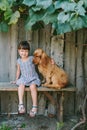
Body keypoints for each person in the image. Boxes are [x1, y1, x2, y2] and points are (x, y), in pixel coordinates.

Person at [13, 41, 41, 117]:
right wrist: (16, 79)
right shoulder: (18, 61)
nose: (24, 53)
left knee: (33, 87)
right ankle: (21, 104)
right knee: (20, 86)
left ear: (28, 51)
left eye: (26, 51)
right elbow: (18, 71)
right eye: (22, 51)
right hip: (24, 78)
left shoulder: (32, 58)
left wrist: (51, 61)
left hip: (33, 78)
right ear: (18, 51)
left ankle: (34, 106)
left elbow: (41, 61)